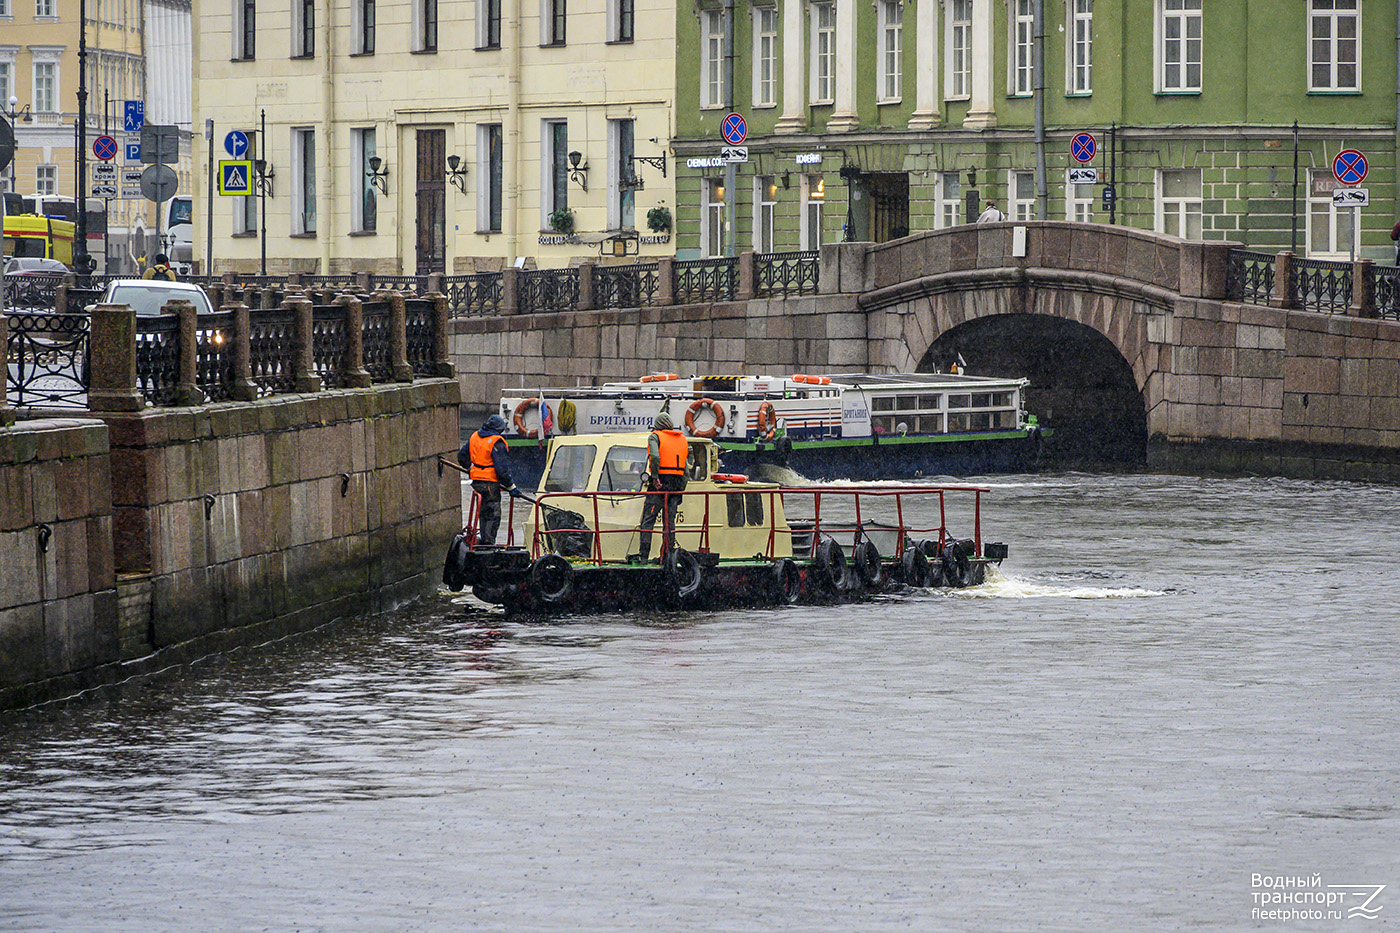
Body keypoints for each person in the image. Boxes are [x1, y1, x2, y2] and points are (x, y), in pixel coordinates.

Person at [459, 414, 523, 547]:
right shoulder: (496, 442)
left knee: (483, 511)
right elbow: (502, 470)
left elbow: (461, 456)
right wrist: (511, 487)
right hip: (490, 483)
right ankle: (488, 543)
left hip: (476, 481)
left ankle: (483, 540)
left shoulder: (474, 436)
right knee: (493, 513)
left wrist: (470, 468)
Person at [634, 412, 689, 563]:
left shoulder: (655, 437)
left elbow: (656, 457)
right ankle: (667, 556)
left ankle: (644, 557)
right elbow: (686, 469)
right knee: (669, 522)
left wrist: (655, 477)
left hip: (660, 484)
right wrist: (680, 489)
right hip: (676, 485)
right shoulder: (683, 439)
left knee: (648, 520)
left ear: (657, 425)